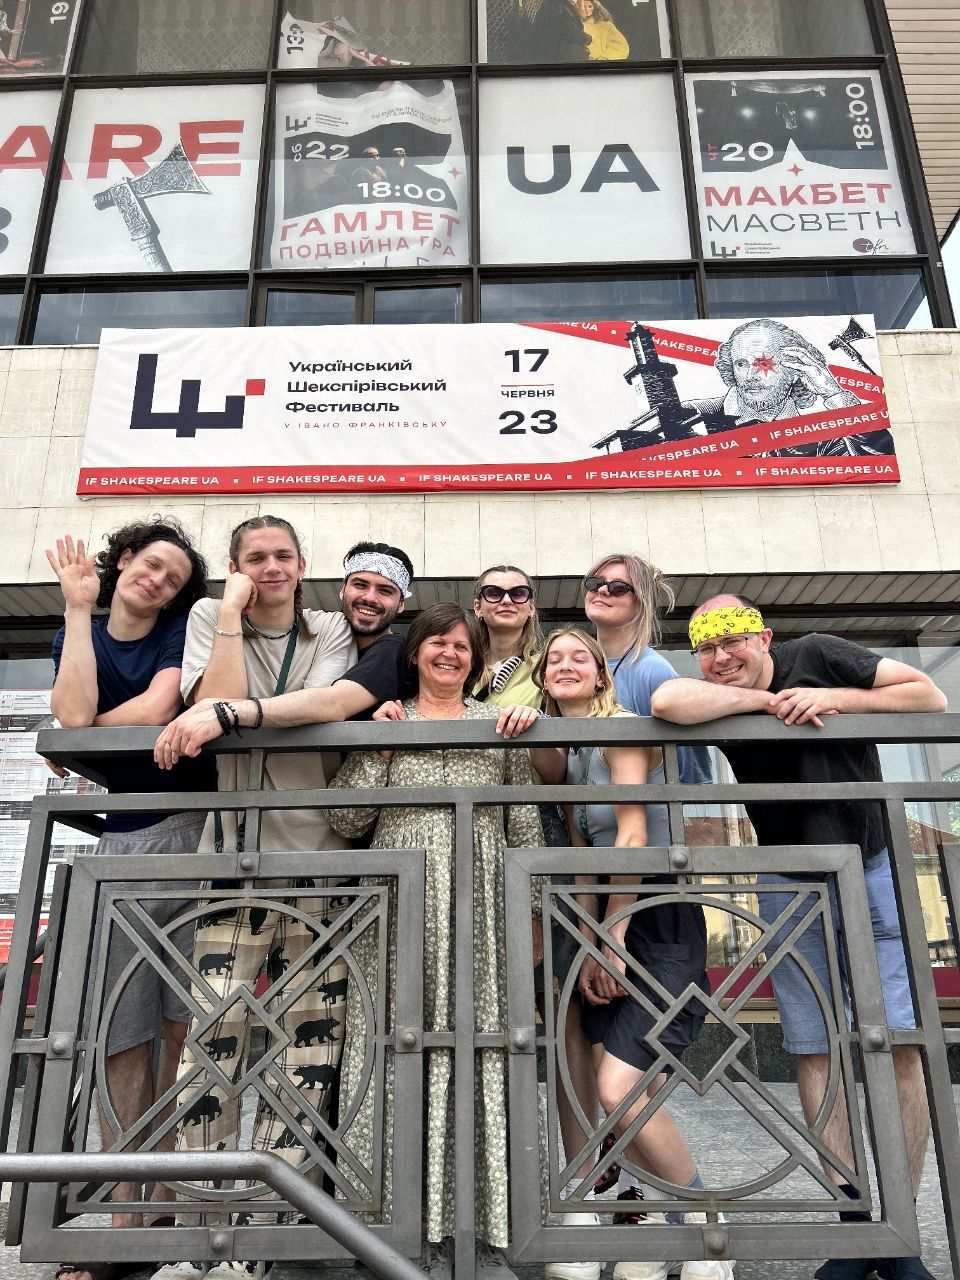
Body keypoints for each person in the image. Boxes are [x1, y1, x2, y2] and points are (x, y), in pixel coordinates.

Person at [650, 595, 947, 1280]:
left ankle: (899, 1232)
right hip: (786, 877)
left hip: (872, 865)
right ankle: (855, 1228)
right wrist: (764, 703)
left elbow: (927, 695)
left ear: (765, 637)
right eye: (707, 649)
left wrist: (829, 699)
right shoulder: (722, 695)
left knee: (899, 1042)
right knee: (814, 1047)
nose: (722, 658)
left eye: (734, 642)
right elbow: (666, 701)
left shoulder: (816, 651)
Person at [150, 515, 359, 1280]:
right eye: (254, 558)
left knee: (309, 1050)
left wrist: (228, 714)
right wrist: (232, 614)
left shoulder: (329, 626)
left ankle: (270, 1228)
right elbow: (215, 700)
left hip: (316, 864)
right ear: (235, 567)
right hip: (233, 862)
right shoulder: (213, 616)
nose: (271, 567)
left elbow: (324, 706)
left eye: (282, 556)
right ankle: (205, 1237)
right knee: (214, 1040)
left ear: (303, 564)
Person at [327, 603, 544, 1280]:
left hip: (483, 915)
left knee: (483, 1047)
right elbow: (346, 819)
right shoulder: (386, 721)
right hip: (399, 914)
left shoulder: (499, 725)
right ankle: (388, 1228)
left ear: (476, 659)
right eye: (436, 643)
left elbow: (524, 828)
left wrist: (532, 920)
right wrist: (379, 751)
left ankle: (481, 1231)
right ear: (415, 653)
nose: (449, 653)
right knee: (392, 1047)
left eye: (462, 646)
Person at [530, 629, 728, 1280]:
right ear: (541, 678)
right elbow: (584, 860)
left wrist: (613, 937)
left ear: (600, 677)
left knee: (621, 1088)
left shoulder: (621, 730)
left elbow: (635, 832)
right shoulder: (572, 754)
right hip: (609, 926)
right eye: (553, 658)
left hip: (656, 917)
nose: (564, 664)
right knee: (613, 1090)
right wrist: (591, 943)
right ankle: (658, 1239)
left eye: (579, 657)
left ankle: (705, 1231)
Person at [46, 519, 213, 1280]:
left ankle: (164, 1197)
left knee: (180, 1029)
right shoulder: (75, 632)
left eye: (173, 577)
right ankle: (124, 1212)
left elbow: (154, 711)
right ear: (121, 563)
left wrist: (88, 732)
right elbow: (72, 713)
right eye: (150, 565)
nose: (158, 581)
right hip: (126, 842)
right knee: (122, 1029)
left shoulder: (180, 632)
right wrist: (79, 610)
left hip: (196, 831)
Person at [688, 320, 893, 457]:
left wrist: (833, 393)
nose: (750, 376)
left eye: (763, 364)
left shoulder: (822, 438)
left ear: (796, 369)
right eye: (741, 364)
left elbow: (881, 459)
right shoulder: (690, 416)